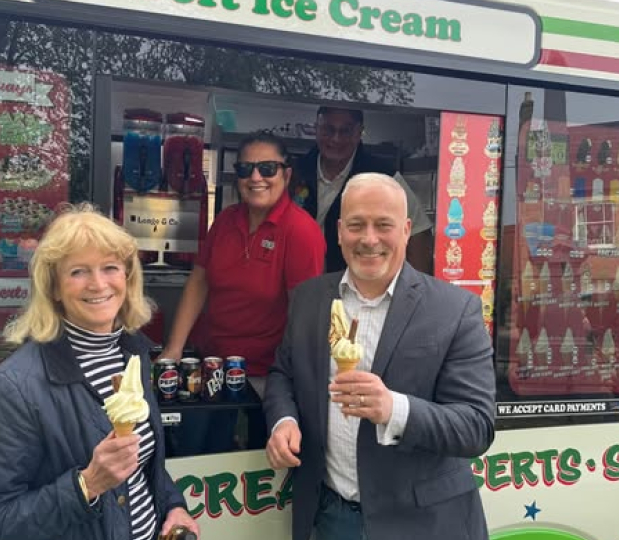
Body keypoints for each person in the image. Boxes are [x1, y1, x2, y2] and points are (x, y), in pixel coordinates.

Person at [264, 173, 495, 540]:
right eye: (357, 225)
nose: (369, 239)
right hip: (328, 515)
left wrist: (393, 409)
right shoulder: (309, 299)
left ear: (405, 230)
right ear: (339, 231)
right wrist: (283, 421)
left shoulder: (455, 310)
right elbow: (282, 374)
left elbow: (476, 427)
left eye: (383, 225)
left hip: (422, 523)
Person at [0, 204, 198, 540]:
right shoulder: (15, 387)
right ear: (54, 287)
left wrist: (173, 505)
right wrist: (86, 484)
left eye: (110, 268)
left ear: (127, 277)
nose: (98, 284)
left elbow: (144, 468)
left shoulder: (133, 355)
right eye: (78, 272)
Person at [160, 130, 325, 396]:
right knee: (195, 437)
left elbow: (304, 313)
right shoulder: (225, 220)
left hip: (264, 375)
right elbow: (198, 282)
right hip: (208, 362)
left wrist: (298, 382)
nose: (256, 177)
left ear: (287, 174)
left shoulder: (301, 231)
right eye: (245, 169)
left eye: (268, 168)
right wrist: (174, 348)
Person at [292, 106, 434, 274]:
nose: (336, 139)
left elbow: (419, 232)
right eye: (328, 130)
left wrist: (415, 292)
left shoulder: (384, 175)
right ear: (316, 129)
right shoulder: (294, 171)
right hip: (297, 278)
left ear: (359, 132)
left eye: (345, 131)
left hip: (357, 282)